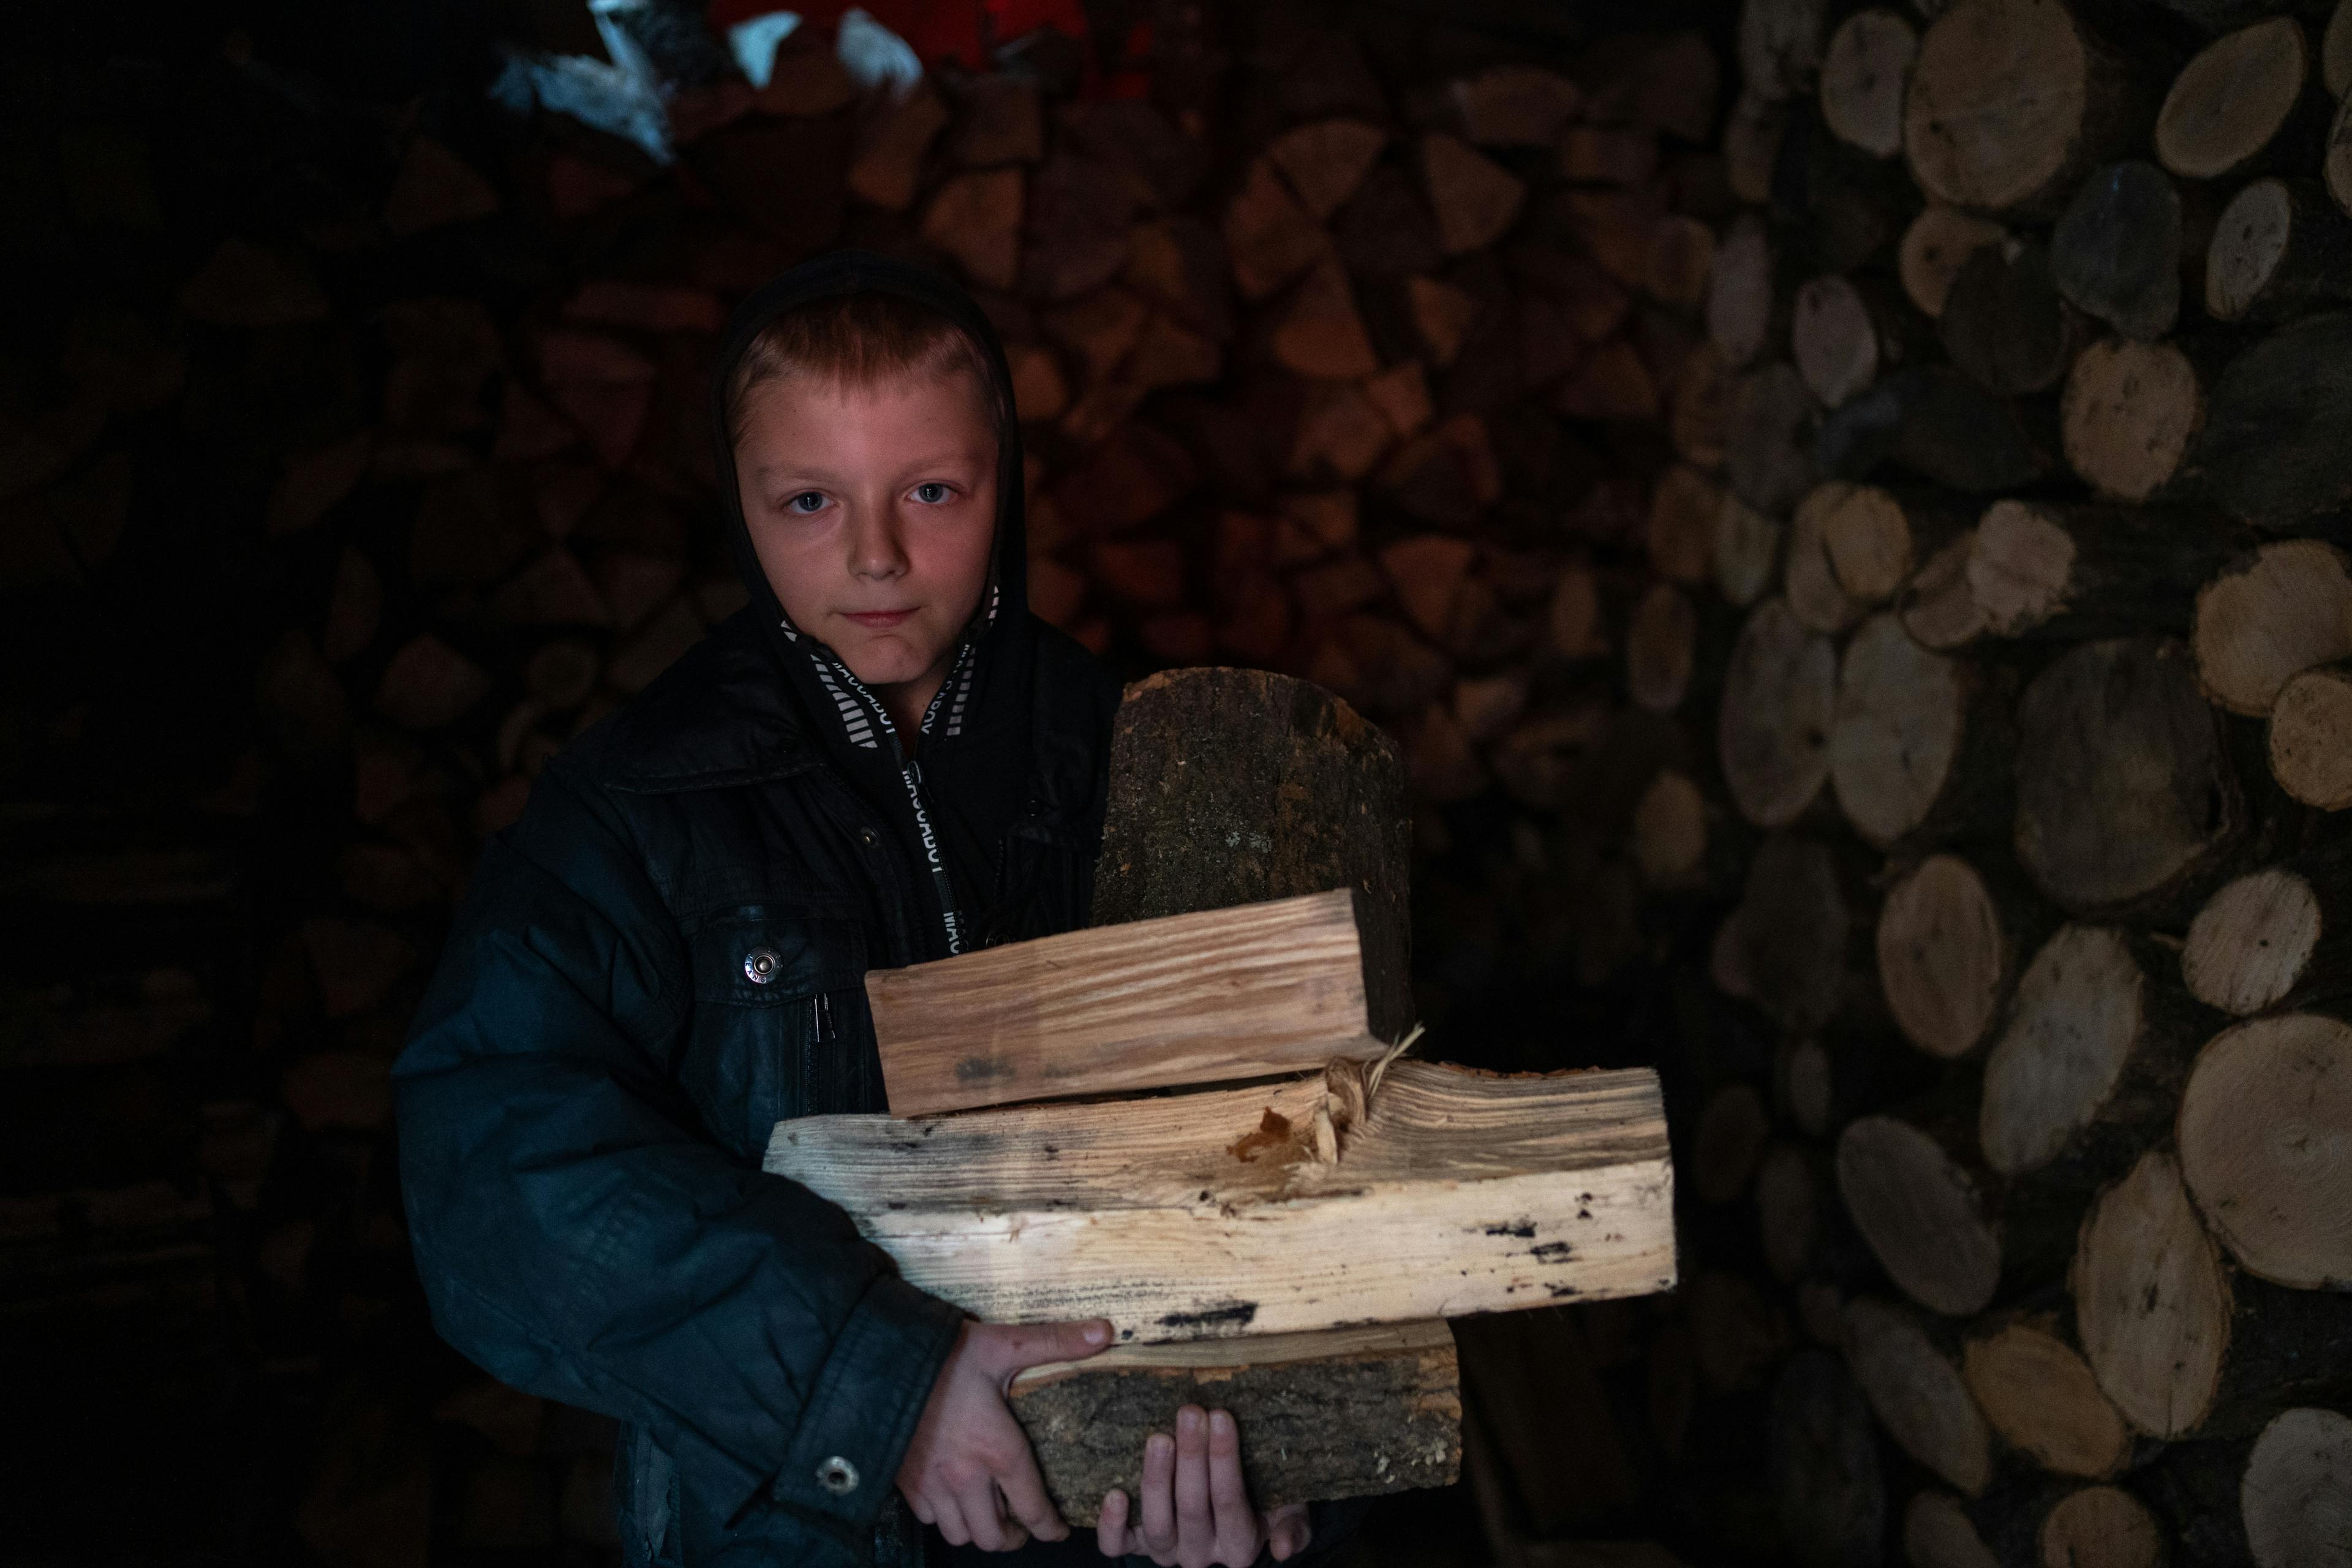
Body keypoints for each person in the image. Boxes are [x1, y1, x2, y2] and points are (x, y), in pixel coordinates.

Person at [393, 250, 1355, 1568]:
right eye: (808, 499)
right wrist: (877, 1386)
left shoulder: (1157, 767)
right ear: (740, 505)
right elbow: (487, 1167)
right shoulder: (635, 810)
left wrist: (1282, 1459)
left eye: (932, 490)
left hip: (1114, 1531)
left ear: (1004, 483)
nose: (875, 552)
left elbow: (1304, 1145)